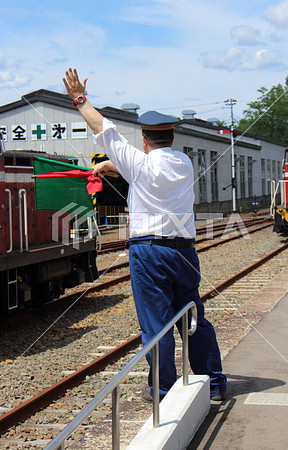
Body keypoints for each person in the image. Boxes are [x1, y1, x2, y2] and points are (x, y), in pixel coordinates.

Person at [63, 68, 227, 401]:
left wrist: (79, 98)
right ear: (172, 138)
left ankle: (163, 390)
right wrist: (113, 166)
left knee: (157, 324)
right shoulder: (182, 163)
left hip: (149, 253)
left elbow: (103, 129)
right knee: (193, 316)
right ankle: (214, 383)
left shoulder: (137, 163)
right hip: (184, 252)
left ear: (143, 139)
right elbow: (140, 165)